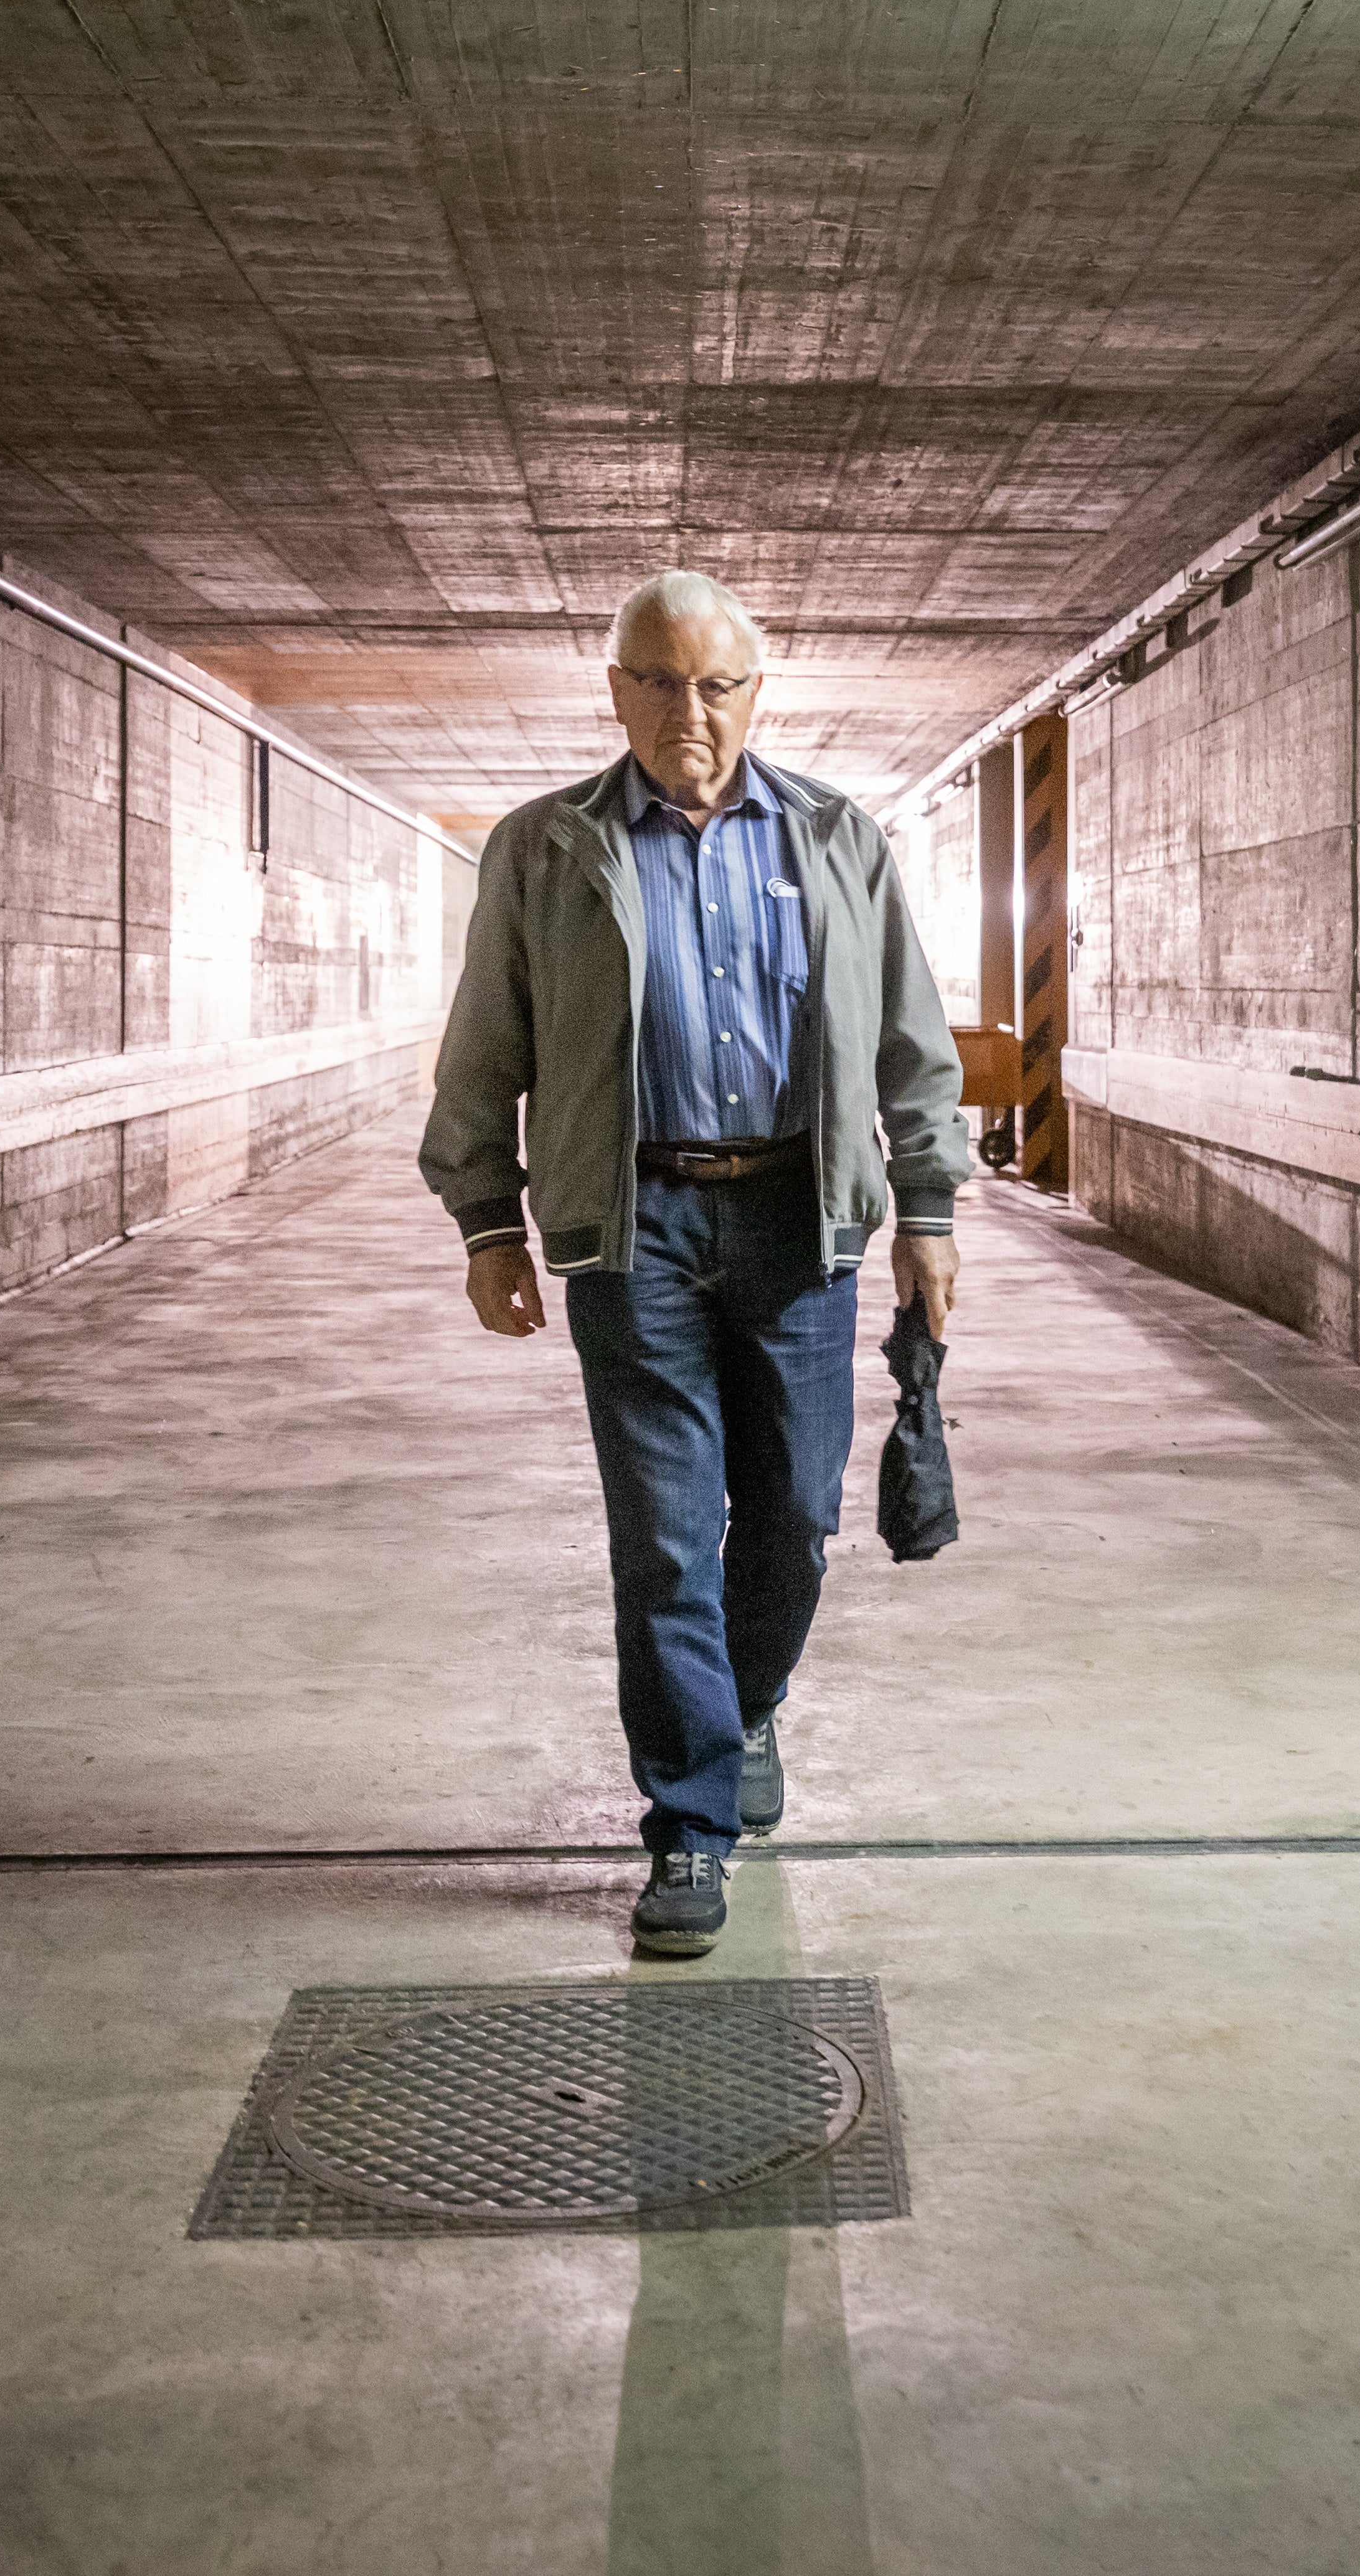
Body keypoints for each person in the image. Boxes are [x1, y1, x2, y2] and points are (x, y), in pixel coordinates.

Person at [424, 570, 968, 1956]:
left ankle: (749, 1699)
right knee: (665, 1536)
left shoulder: (837, 838)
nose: (690, 711)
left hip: (801, 1222)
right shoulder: (545, 850)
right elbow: (489, 1042)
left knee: (791, 1510)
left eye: (717, 683)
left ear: (756, 693)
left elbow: (906, 1034)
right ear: (617, 692)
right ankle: (688, 1826)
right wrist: (489, 1217)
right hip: (636, 1227)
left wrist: (928, 1208)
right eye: (659, 682)